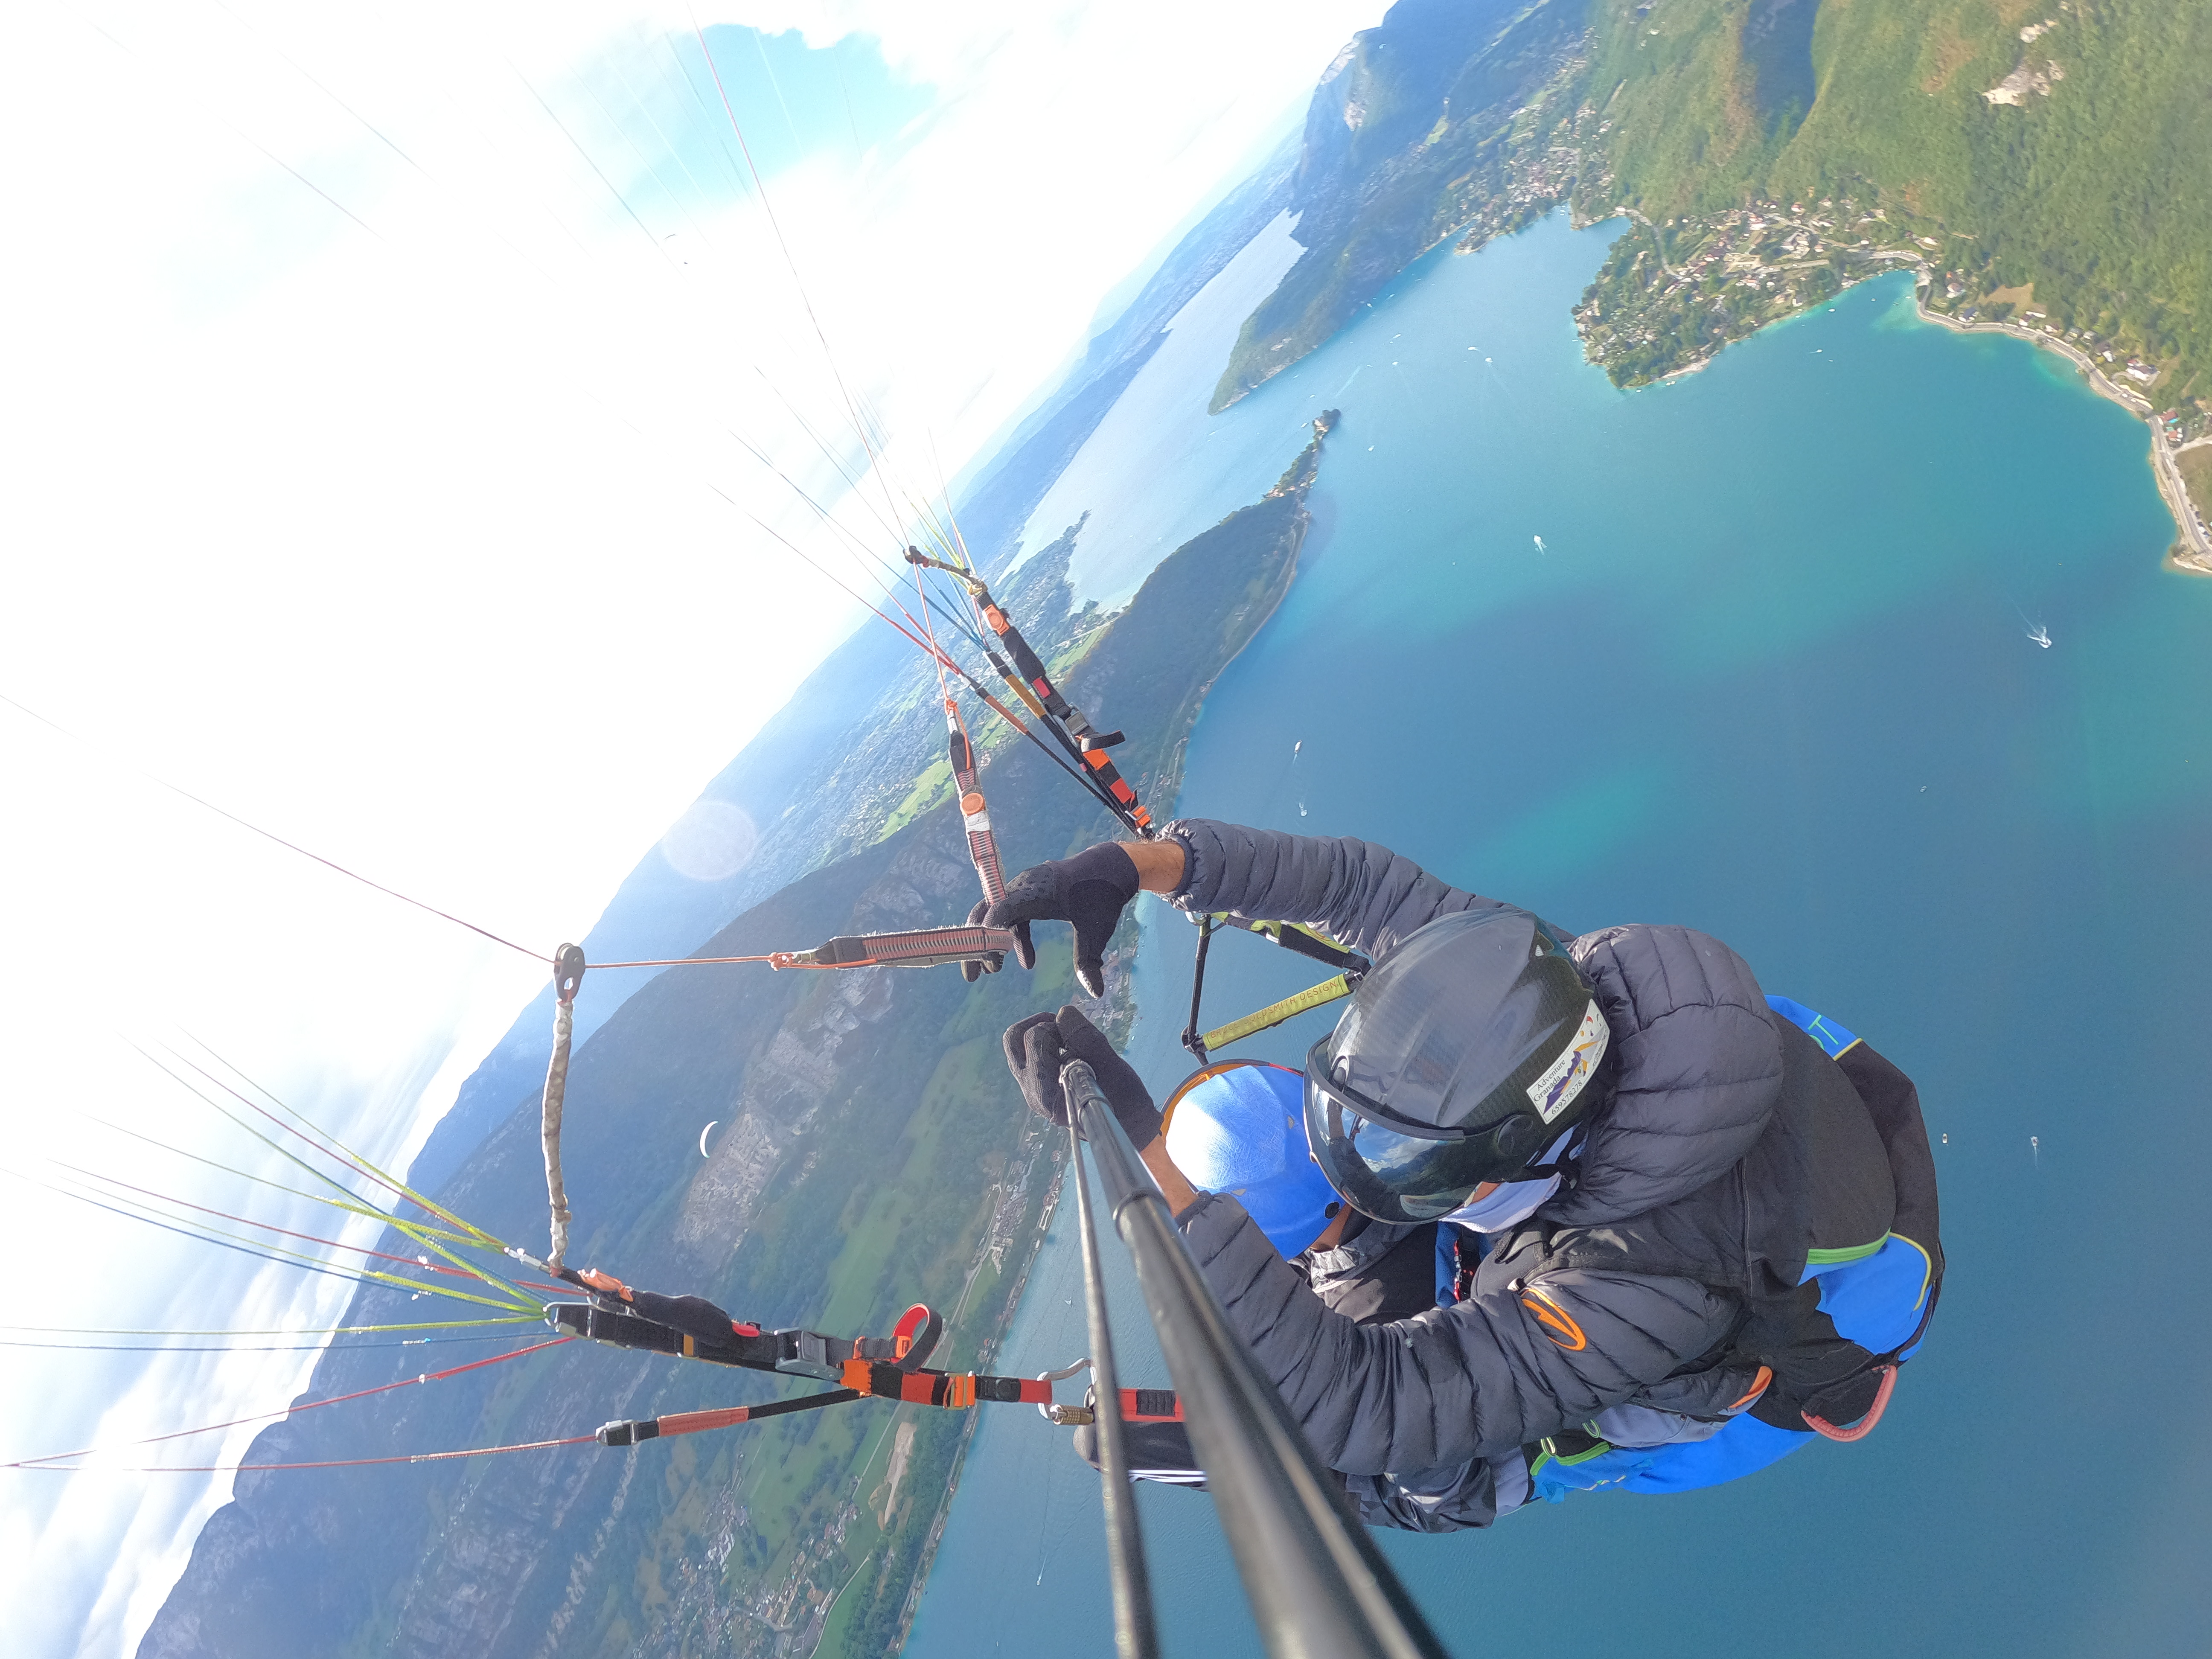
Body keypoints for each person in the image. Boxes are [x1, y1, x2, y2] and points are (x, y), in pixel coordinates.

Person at [992, 821, 1941, 1530]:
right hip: (1756, 1112)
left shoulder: (1640, 1283)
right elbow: (1356, 887)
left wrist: (1142, 1148)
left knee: (1477, 1465)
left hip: (1787, 1341)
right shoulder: (1538, 986)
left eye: (1436, 1185)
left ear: (1530, 1156)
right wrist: (1137, 865)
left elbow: (1381, 1415)